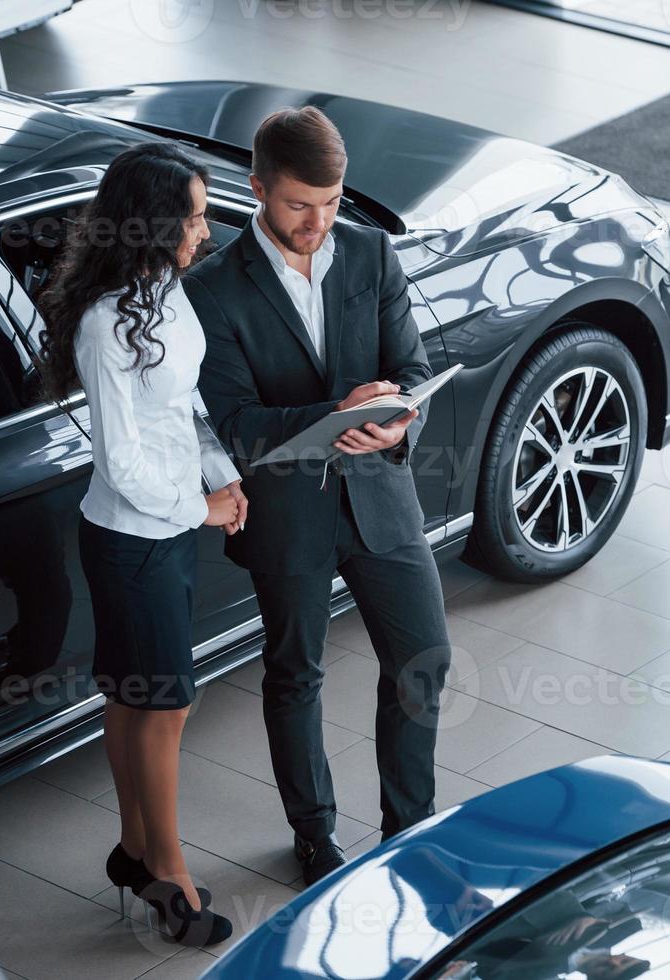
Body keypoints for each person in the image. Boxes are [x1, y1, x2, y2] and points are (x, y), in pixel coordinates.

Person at [187, 106, 451, 885]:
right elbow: (235, 424)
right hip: (285, 511)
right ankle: (314, 837)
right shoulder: (211, 289)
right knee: (294, 671)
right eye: (301, 204)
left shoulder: (371, 252)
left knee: (421, 658)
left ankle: (408, 830)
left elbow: (409, 365)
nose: (318, 221)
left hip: (379, 494)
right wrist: (332, 416)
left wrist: (395, 423)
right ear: (259, 188)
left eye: (330, 203)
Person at [37, 141, 245, 947]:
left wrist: (221, 476)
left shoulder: (167, 291)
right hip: (132, 537)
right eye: (193, 216)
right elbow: (120, 459)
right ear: (153, 224)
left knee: (132, 695)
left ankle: (133, 849)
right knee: (167, 703)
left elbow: (182, 409)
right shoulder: (102, 323)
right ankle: (171, 873)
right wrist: (198, 509)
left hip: (167, 523)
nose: (206, 228)